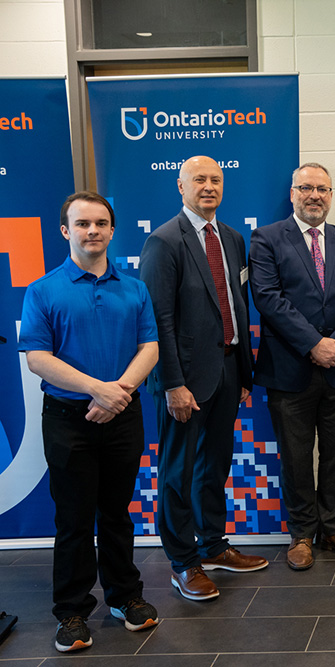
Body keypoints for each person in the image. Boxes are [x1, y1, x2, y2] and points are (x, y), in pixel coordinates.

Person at [20, 192, 160, 652]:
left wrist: (116, 393)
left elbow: (150, 348)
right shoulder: (43, 290)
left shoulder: (134, 288)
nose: (92, 231)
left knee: (117, 513)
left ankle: (125, 597)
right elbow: (37, 359)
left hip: (123, 414)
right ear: (66, 231)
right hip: (68, 418)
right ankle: (73, 612)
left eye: (101, 223)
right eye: (82, 224)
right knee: (74, 519)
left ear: (112, 230)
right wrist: (96, 389)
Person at [140, 156, 267, 601]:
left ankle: (213, 545)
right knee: (177, 472)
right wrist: (173, 383)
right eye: (199, 179)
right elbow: (159, 321)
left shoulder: (231, 238)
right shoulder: (164, 241)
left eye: (216, 179)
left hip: (229, 370)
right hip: (185, 381)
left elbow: (235, 304)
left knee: (215, 465)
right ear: (181, 186)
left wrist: (244, 369)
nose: (208, 186)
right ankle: (183, 562)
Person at [250, 163, 335, 569]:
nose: (314, 195)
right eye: (306, 188)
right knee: (297, 456)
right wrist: (313, 344)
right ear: (292, 193)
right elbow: (268, 298)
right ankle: (302, 534)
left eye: (322, 189)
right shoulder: (266, 239)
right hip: (290, 370)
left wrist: (334, 345)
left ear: (331, 195)